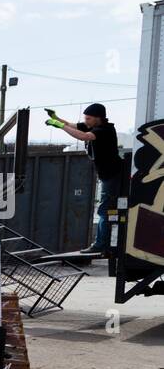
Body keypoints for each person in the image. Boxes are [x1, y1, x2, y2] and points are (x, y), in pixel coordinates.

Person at [45, 103, 124, 255]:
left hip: (112, 176)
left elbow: (83, 136)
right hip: (107, 176)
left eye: (88, 118)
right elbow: (73, 126)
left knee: (104, 211)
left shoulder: (104, 130)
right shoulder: (92, 126)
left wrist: (59, 126)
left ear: (98, 118)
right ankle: (103, 244)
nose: (85, 121)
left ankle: (100, 245)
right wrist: (57, 118)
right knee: (105, 210)